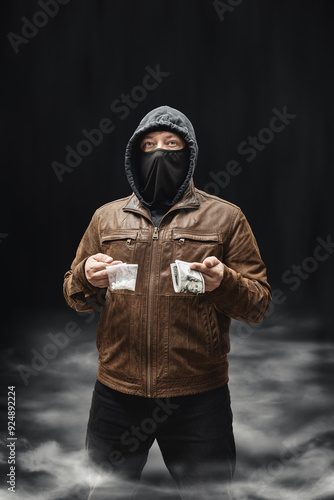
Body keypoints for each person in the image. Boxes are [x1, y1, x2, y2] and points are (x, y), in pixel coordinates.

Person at [63, 105, 272, 499]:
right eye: (149, 145)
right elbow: (77, 297)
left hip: (199, 397)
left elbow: (258, 305)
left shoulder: (226, 218)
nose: (160, 153)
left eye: (172, 145)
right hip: (116, 395)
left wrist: (223, 281)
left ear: (189, 154)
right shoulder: (106, 219)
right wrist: (85, 278)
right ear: (133, 156)